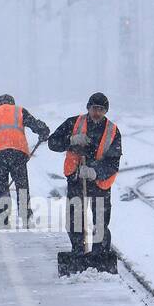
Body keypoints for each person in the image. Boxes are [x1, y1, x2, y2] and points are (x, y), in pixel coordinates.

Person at [47, 92, 122, 255]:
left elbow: (113, 163)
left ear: (106, 111)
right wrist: (71, 140)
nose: (97, 113)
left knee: (100, 220)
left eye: (101, 109)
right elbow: (52, 143)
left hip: (100, 182)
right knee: (75, 218)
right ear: (88, 108)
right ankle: (78, 252)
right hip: (76, 177)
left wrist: (95, 172)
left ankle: (99, 254)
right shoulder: (73, 123)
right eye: (94, 108)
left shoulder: (112, 131)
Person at [0, 94, 49, 228]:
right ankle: (27, 219)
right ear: (12, 103)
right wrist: (43, 131)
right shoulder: (19, 111)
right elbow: (35, 124)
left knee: (2, 187)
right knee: (22, 186)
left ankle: (3, 220)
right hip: (18, 152)